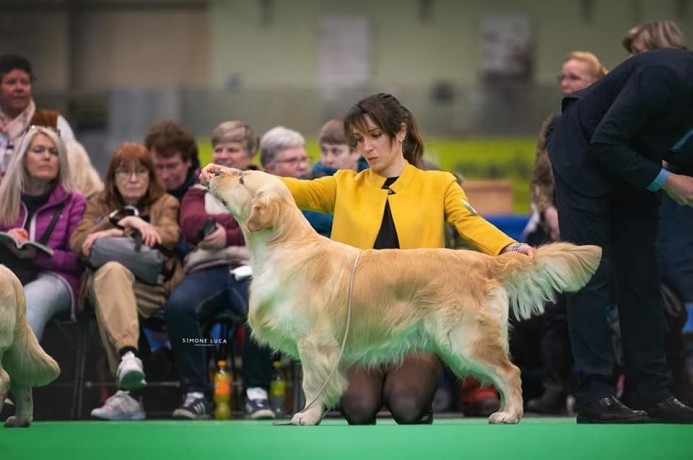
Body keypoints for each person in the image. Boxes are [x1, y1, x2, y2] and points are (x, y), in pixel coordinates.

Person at [205, 93, 533, 425]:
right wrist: (234, 175)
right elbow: (287, 189)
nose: (367, 147)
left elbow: (470, 222)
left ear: (400, 132)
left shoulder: (439, 184)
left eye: (375, 136)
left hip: (416, 321)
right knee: (358, 408)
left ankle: (489, 394)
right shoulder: (344, 184)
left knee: (407, 405)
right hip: (356, 333)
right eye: (360, 140)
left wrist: (509, 248)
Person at [547, 48, 693, 423]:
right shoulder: (666, 77)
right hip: (584, 154)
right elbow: (605, 139)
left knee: (642, 277)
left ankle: (653, 392)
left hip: (634, 164)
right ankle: (596, 396)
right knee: (592, 275)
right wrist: (667, 181)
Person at [165, 120, 276, 420]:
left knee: (264, 304)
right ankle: (196, 394)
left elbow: (266, 223)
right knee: (178, 307)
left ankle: (256, 391)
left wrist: (225, 234)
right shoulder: (196, 190)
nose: (224, 155)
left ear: (250, 153)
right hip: (205, 271)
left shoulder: (265, 186)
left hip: (251, 268)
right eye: (218, 148)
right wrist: (233, 224)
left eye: (232, 148)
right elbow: (190, 224)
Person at [70, 142, 183, 420]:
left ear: (150, 176)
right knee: (111, 274)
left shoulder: (165, 202)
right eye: (124, 172)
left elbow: (169, 236)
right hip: (112, 287)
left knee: (108, 278)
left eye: (140, 172)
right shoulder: (98, 203)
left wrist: (122, 231)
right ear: (113, 177)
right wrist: (124, 225)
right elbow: (78, 242)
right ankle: (128, 357)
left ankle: (127, 392)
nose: (133, 179)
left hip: (152, 288)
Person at [521, 51, 608, 414]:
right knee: (549, 310)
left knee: (590, 304)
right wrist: (550, 210)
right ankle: (555, 385)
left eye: (574, 77)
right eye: (563, 77)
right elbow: (540, 181)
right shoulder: (553, 124)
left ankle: (599, 384)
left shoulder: (608, 120)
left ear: (596, 81)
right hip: (553, 228)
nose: (565, 84)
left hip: (594, 227)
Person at [0, 125, 86, 340]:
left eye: (54, 152)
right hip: (10, 273)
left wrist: (38, 254)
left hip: (57, 278)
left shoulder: (75, 201)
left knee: (31, 300)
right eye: (38, 150)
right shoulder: (4, 198)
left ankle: (18, 372)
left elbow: (78, 260)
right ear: (22, 157)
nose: (47, 157)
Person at [0, 54, 75, 181]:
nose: (19, 88)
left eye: (25, 82)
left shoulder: (53, 122)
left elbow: (74, 168)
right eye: (11, 82)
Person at [260, 126, 333, 237]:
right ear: (269, 167)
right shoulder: (261, 200)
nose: (302, 166)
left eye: (304, 159)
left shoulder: (323, 183)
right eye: (292, 161)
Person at [144, 120, 200, 202]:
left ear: (188, 161)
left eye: (172, 166)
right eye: (158, 167)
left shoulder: (208, 197)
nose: (165, 176)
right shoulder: (137, 195)